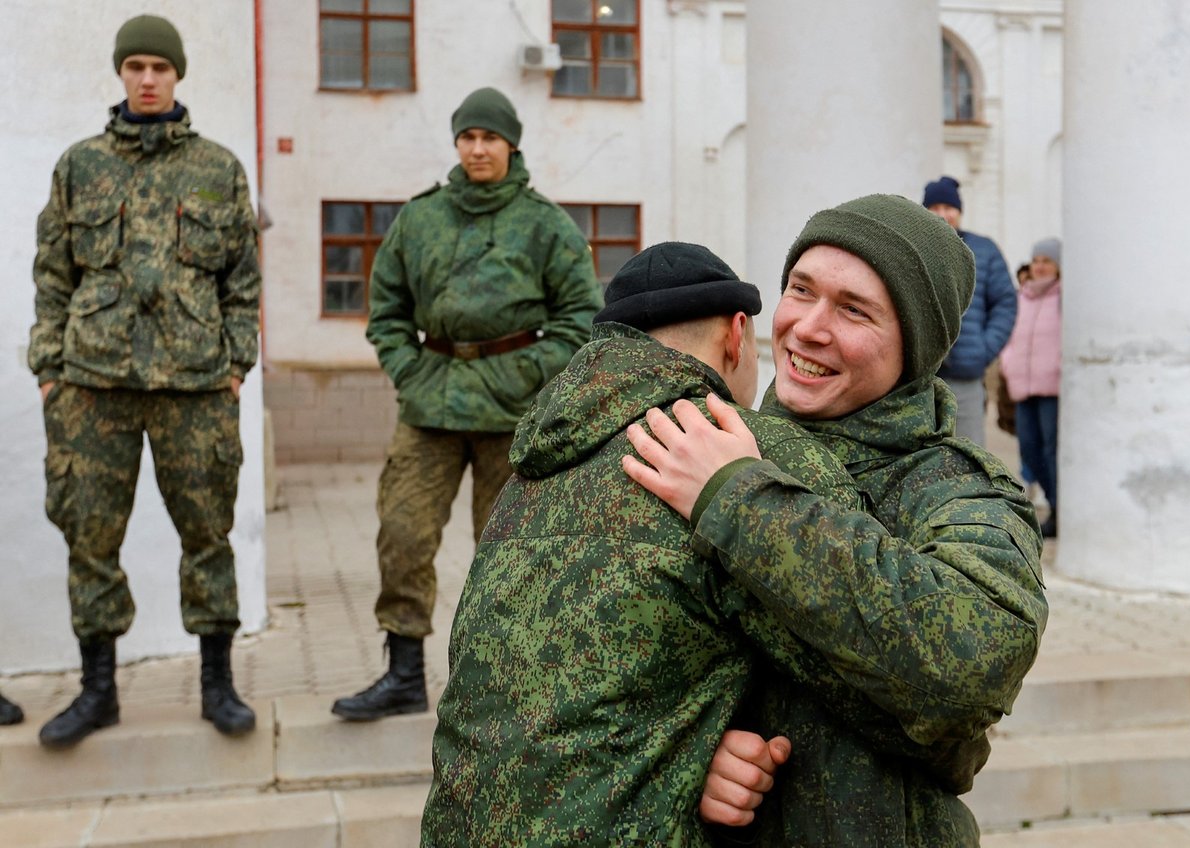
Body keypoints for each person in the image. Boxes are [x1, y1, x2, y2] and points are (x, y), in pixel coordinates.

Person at [422, 242, 976, 845]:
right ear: (737, 336)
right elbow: (898, 699)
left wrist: (700, 746)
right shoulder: (750, 451)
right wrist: (959, 751)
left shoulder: (532, 468)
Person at [624, 196, 1048, 846]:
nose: (807, 328)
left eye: (854, 310)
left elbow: (974, 660)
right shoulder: (702, 448)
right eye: (801, 290)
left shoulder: (956, 491)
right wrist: (691, 754)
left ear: (916, 343)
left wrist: (741, 502)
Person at [332, 88, 602, 722]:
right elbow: (387, 309)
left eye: (490, 138)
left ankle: (506, 682)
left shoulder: (545, 226)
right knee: (402, 533)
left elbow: (580, 319)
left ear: (512, 144)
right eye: (467, 137)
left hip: (512, 415)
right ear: (457, 144)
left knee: (509, 550)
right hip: (430, 405)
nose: (478, 149)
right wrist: (408, 370)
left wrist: (526, 378)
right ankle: (402, 675)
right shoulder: (420, 218)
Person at [28, 14, 261, 748]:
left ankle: (217, 684)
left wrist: (235, 367)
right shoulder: (80, 166)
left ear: (178, 74)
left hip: (195, 387)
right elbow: (52, 275)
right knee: (89, 537)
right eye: (136, 66)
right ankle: (99, 691)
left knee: (208, 534)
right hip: (91, 386)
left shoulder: (219, 167)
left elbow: (242, 283)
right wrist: (49, 369)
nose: (148, 79)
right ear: (121, 74)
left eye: (160, 67)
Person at [922, 176, 1017, 446]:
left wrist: (984, 349)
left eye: (948, 207)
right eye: (934, 207)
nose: (942, 214)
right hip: (922, 377)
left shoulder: (984, 250)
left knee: (969, 451)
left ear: (959, 211)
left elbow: (1005, 302)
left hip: (966, 375)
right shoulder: (916, 249)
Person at [1000, 238, 1062, 538]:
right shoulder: (1021, 297)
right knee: (1029, 448)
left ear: (1058, 267)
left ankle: (1058, 509)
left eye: (1046, 261)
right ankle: (1054, 502)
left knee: (1052, 451)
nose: (1039, 266)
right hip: (1023, 387)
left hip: (1052, 388)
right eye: (1036, 260)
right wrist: (1008, 365)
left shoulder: (1063, 297)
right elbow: (1010, 337)